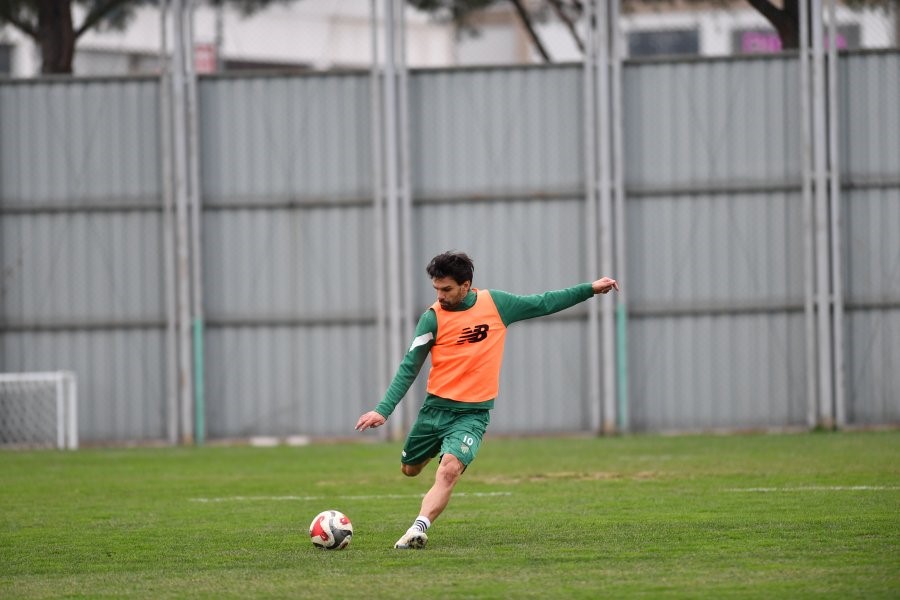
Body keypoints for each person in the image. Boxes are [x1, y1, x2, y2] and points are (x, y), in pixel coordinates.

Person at [355, 250, 619, 549]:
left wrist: (590, 289)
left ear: (466, 285)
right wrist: (383, 410)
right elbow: (409, 366)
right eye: (436, 289)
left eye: (446, 289)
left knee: (449, 470)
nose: (440, 296)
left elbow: (544, 302)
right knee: (410, 470)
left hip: (473, 414)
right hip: (435, 410)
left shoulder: (496, 304)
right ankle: (439, 448)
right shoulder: (432, 318)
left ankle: (418, 528)